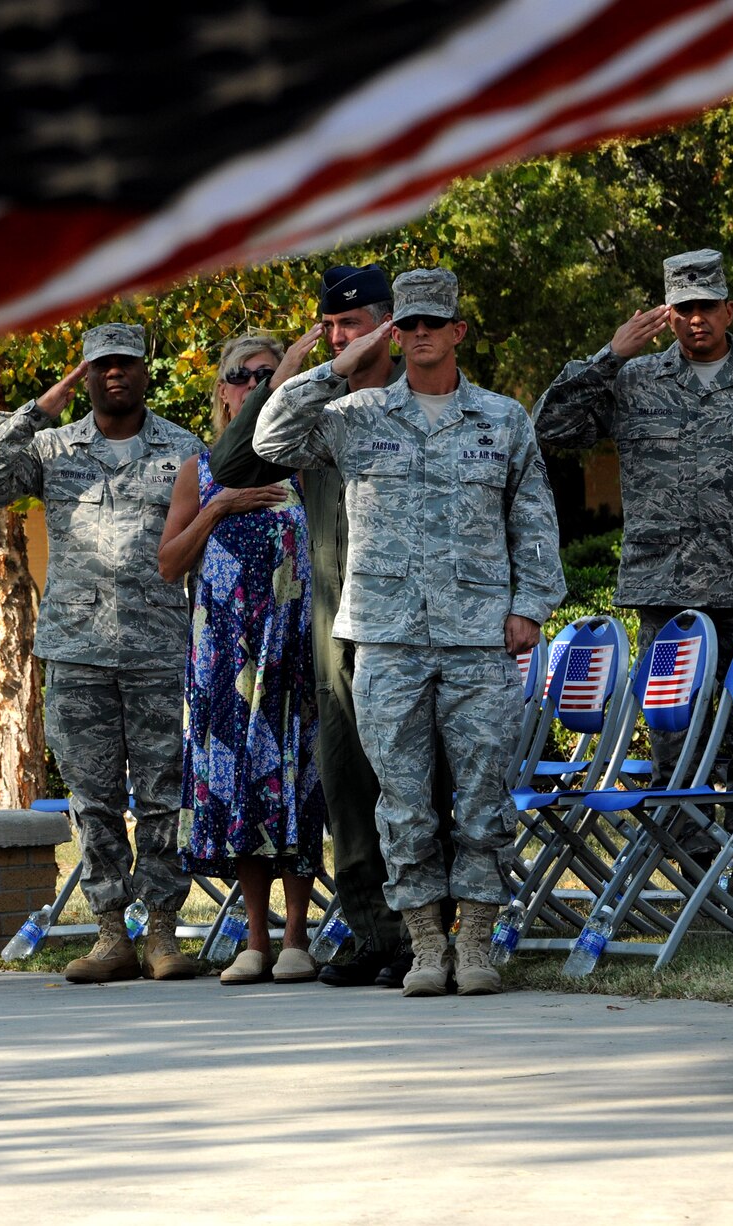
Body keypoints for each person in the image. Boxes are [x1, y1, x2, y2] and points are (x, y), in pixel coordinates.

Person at [254, 269, 565, 997]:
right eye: (409, 325)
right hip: (388, 642)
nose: (421, 335)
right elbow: (270, 438)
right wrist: (335, 363)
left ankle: (478, 945)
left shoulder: (502, 419)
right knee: (402, 800)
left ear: (458, 331)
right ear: (395, 332)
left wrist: (530, 605)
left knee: (484, 798)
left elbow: (534, 518)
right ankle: (426, 944)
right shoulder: (357, 416)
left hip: (480, 641)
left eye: (434, 324)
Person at [534, 249, 733, 897]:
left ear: (728, 310)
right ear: (666, 314)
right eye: (682, 309)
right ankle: (695, 883)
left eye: (706, 307)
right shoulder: (634, 383)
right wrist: (610, 355)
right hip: (666, 596)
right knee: (673, 744)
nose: (695, 321)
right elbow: (550, 427)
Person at [209, 264, 452, 989]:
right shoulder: (318, 410)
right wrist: (292, 367)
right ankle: (377, 936)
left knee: (423, 784)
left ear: (390, 325)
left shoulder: (427, 402)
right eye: (332, 327)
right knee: (348, 785)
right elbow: (231, 461)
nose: (341, 337)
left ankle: (431, 938)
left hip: (423, 626)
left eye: (353, 324)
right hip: (336, 624)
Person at [0, 321, 204, 983]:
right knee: (93, 801)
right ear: (85, 376)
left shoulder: (182, 449)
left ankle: (161, 933)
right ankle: (108, 934)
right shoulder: (52, 447)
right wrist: (44, 403)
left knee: (162, 796)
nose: (114, 375)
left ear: (147, 371)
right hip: (78, 650)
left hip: (158, 647)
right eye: (100, 366)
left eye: (126, 364)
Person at [159, 332, 327, 985]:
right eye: (242, 375)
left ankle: (296, 939)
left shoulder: (305, 465)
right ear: (223, 392)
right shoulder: (199, 471)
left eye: (269, 372)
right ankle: (253, 941)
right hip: (225, 655)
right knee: (243, 789)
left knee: (296, 787)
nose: (256, 384)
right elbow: (170, 562)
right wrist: (221, 506)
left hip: (294, 650)